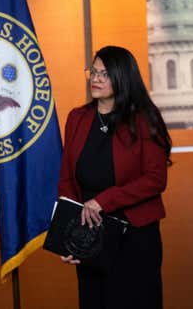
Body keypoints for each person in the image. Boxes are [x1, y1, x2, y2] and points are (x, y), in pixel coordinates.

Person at [58, 46, 171, 309]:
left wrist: (103, 201)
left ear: (123, 77)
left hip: (136, 238)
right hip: (92, 238)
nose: (95, 79)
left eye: (105, 74)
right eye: (93, 72)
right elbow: (66, 180)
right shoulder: (77, 118)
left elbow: (156, 179)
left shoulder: (145, 119)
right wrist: (71, 235)